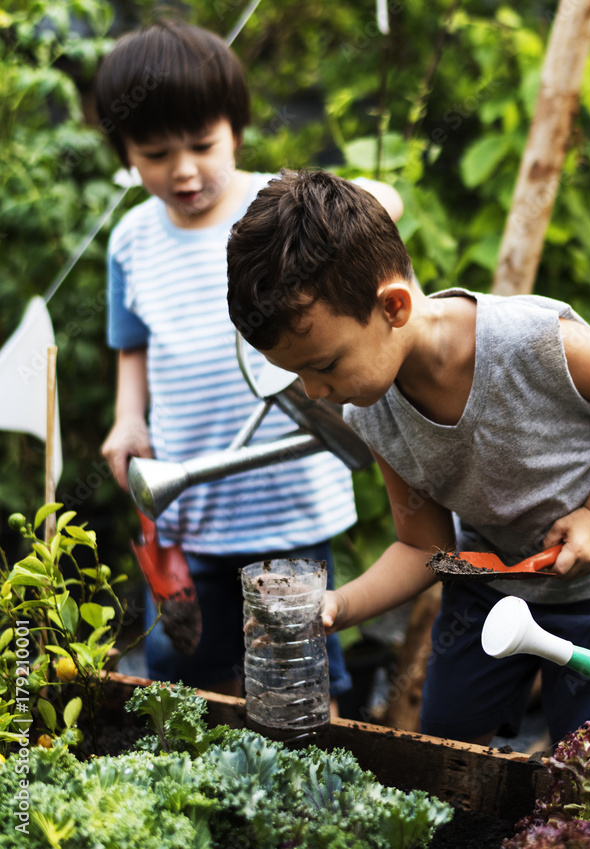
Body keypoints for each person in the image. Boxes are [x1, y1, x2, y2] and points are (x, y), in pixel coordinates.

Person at [226, 168, 590, 746]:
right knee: (448, 738)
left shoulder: (528, 341)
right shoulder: (371, 409)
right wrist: (336, 605)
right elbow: (426, 546)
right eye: (297, 373)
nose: (315, 391)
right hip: (494, 573)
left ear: (393, 307)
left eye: (324, 365)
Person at [95, 20, 403, 713]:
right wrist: (126, 417)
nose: (183, 170)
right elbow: (131, 341)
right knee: (188, 675)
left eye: (202, 145)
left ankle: (305, 803)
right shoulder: (130, 240)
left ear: (235, 128)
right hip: (189, 501)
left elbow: (386, 198)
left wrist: (359, 212)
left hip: (286, 500)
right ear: (123, 152)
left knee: (296, 677)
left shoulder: (279, 211)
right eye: (155, 152)